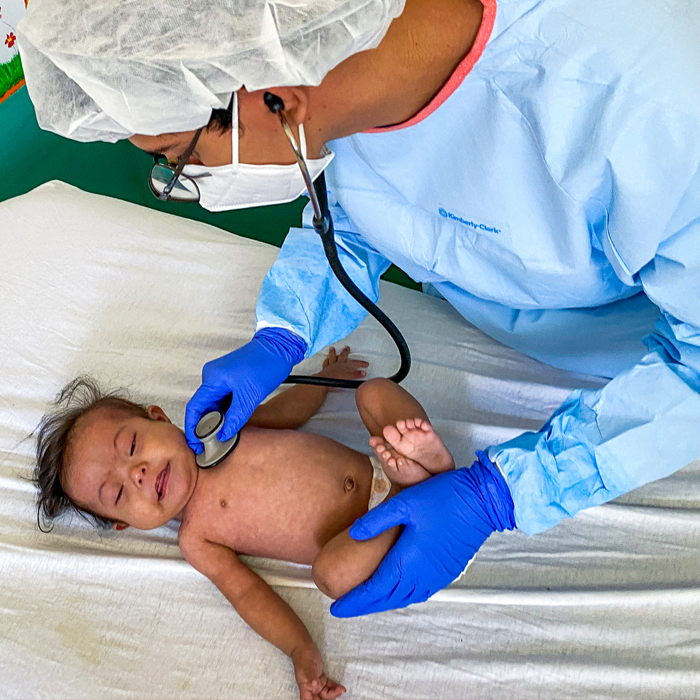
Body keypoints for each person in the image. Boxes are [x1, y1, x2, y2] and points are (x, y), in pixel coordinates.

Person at [18, 0, 700, 617]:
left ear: (274, 98)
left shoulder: (659, 117)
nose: (186, 181)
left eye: (178, 160)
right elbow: (361, 210)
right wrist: (284, 333)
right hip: (518, 312)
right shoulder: (343, 63)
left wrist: (507, 492)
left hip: (634, 346)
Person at [33, 348, 515, 700]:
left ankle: (422, 458)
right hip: (378, 540)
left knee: (374, 393)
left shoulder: (224, 428)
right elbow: (250, 596)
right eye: (118, 494)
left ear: (160, 417)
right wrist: (300, 652)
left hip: (381, 472)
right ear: (124, 525)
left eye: (133, 446)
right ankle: (417, 484)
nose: (136, 474)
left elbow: (288, 410)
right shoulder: (197, 538)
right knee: (330, 575)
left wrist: (326, 380)